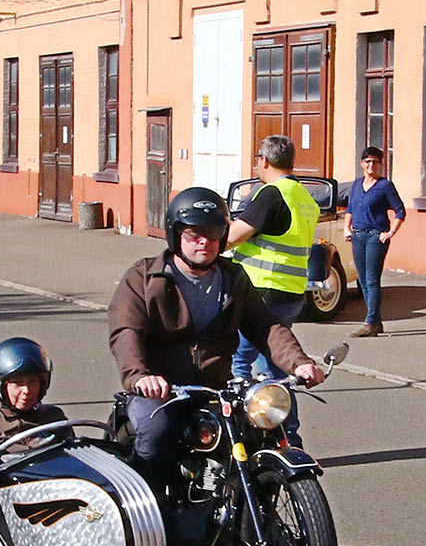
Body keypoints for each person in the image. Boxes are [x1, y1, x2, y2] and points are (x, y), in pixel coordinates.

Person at [108, 186, 323, 490]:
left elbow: (266, 326)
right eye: (194, 233)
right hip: (160, 391)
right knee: (156, 433)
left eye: (213, 233)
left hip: (215, 389)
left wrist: (298, 363)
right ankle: (151, 514)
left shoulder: (233, 277)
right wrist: (140, 375)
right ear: (175, 234)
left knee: (261, 435)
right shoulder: (144, 278)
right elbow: (126, 330)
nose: (204, 241)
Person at [228, 134, 322, 381]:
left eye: (257, 159)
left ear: (265, 160)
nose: (257, 165)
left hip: (261, 291)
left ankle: (238, 417)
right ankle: (284, 420)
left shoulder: (271, 194)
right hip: (291, 292)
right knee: (275, 362)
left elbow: (233, 236)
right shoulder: (304, 197)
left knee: (235, 361)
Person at [0, 338, 68, 468]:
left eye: (33, 381)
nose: (27, 390)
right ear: (0, 387)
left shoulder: (54, 417)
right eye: (17, 383)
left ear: (43, 383)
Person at [342, 146, 406, 337]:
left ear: (380, 164)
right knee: (362, 281)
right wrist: (347, 227)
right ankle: (375, 322)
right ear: (362, 164)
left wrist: (390, 232)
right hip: (358, 235)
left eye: (375, 161)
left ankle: (370, 321)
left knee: (371, 279)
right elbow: (350, 208)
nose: (371, 165)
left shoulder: (385, 186)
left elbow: (400, 211)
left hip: (375, 236)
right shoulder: (356, 184)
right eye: (368, 161)